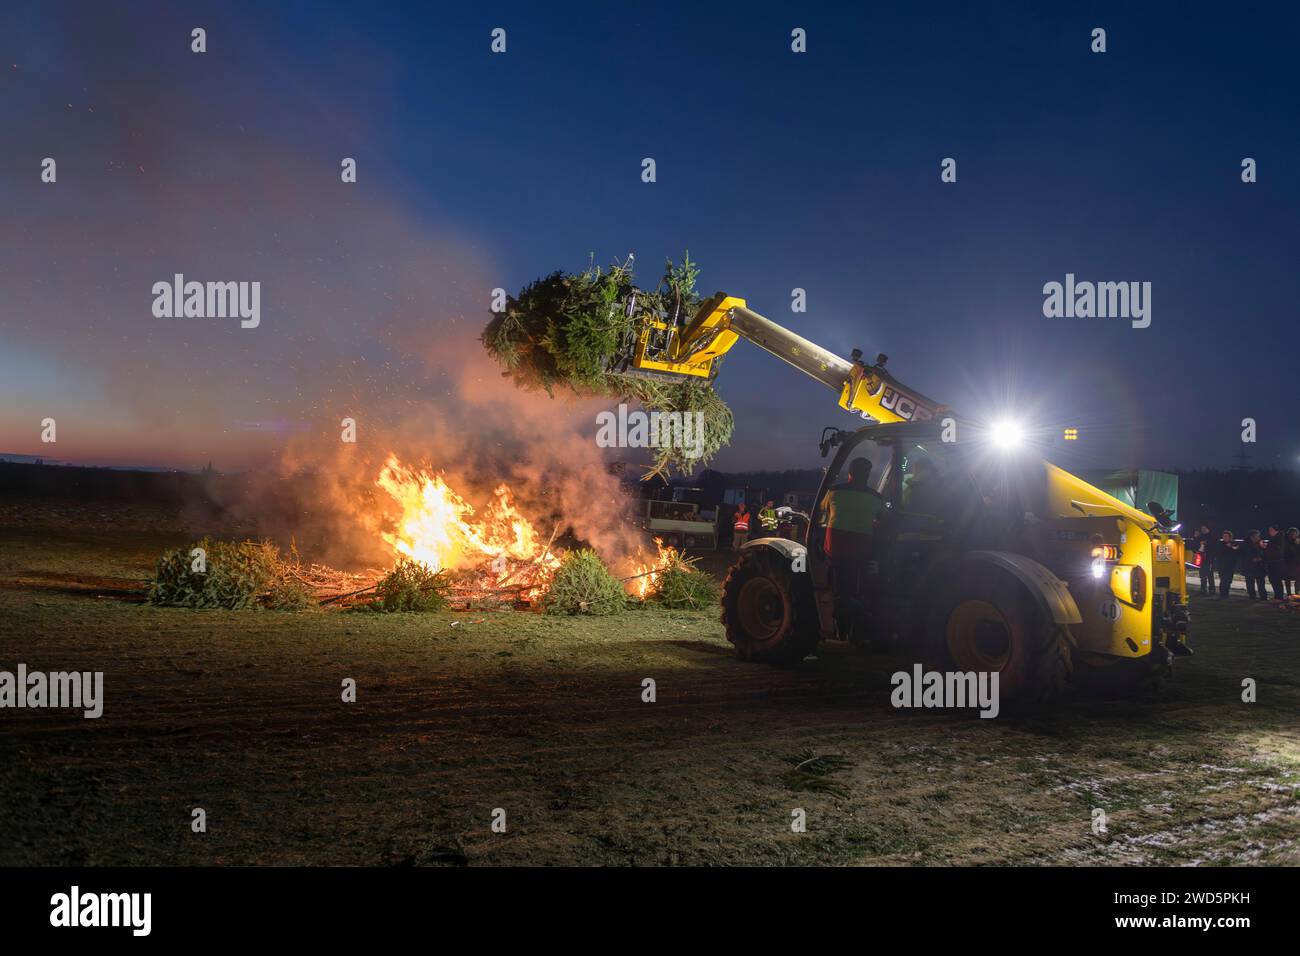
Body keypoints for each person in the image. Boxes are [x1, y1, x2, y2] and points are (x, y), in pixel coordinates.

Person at [820, 457, 887, 626]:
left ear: (850, 473)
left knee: (834, 582)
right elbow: (884, 519)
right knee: (859, 582)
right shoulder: (875, 497)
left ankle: (832, 617)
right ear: (868, 475)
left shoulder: (834, 491)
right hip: (861, 551)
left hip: (834, 549)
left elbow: (823, 509)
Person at [1242, 530, 1268, 600]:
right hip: (1249, 567)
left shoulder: (1260, 543)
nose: (1258, 537)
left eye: (1258, 536)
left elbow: (1264, 554)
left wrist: (1264, 548)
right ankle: (1252, 597)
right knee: (1250, 584)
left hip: (1259, 567)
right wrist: (1253, 559)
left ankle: (1263, 597)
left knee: (1261, 584)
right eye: (1257, 536)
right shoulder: (1246, 544)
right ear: (1252, 537)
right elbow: (1244, 555)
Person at [1265, 524, 1288, 601]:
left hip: (1276, 563)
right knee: (1273, 580)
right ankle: (1277, 596)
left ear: (1275, 530)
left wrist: (1266, 547)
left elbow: (1277, 550)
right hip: (1273, 562)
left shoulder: (1279, 538)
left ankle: (1279, 597)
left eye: (1271, 530)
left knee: (1276, 580)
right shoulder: (1275, 538)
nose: (1269, 532)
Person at [1213, 530, 1238, 599]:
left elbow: (1236, 553)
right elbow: (1218, 553)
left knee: (1228, 580)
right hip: (1222, 565)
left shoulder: (1234, 544)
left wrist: (1233, 548)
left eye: (1226, 536)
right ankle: (1222, 595)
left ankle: (1226, 594)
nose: (1225, 537)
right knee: (1223, 580)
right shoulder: (1220, 544)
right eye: (1224, 536)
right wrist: (1226, 547)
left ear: (1230, 537)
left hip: (1230, 566)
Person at [1193, 524, 1214, 596]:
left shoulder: (1211, 537)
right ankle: (1203, 589)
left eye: (1205, 528)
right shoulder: (1200, 537)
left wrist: (1206, 543)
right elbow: (1195, 545)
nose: (1203, 530)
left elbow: (1212, 546)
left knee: (1209, 575)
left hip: (1208, 558)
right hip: (1201, 558)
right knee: (1202, 575)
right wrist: (1195, 538)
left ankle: (1212, 590)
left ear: (1208, 529)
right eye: (1202, 528)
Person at [1285, 527, 1300, 598]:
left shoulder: (1298, 541)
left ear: (1297, 534)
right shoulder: (1285, 542)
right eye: (1291, 533)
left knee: (1298, 580)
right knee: (1287, 580)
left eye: (1294, 533)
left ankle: (1297, 594)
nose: (1293, 535)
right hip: (1288, 564)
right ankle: (1289, 594)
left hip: (1297, 564)